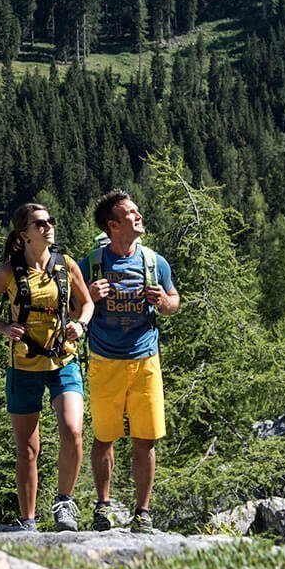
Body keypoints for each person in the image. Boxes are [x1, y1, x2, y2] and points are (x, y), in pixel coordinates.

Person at [0, 203, 94, 532]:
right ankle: (28, 522)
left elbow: (87, 303)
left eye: (51, 221)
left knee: (73, 431)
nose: (48, 227)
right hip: (23, 365)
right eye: (40, 224)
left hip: (62, 361)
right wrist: (3, 327)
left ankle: (64, 503)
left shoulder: (66, 265)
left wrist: (80, 325)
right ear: (24, 234)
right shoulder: (9, 272)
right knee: (28, 449)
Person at [84, 189, 180, 534]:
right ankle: (103, 508)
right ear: (113, 225)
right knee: (104, 438)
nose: (139, 216)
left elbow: (174, 300)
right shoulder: (91, 265)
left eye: (137, 211)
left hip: (145, 362)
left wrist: (165, 304)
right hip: (105, 361)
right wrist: (90, 298)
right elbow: (72, 309)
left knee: (146, 439)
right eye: (131, 213)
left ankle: (143, 513)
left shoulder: (154, 262)